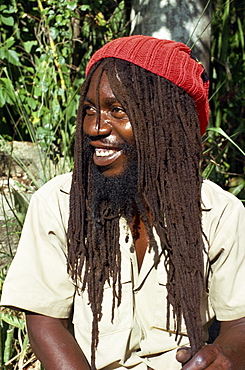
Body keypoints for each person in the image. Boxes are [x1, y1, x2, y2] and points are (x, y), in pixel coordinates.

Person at [1, 35, 245, 370]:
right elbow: (45, 319)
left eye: (117, 110)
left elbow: (239, 324)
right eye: (90, 110)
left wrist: (224, 356)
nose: (96, 127)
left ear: (167, 121)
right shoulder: (57, 205)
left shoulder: (221, 213)